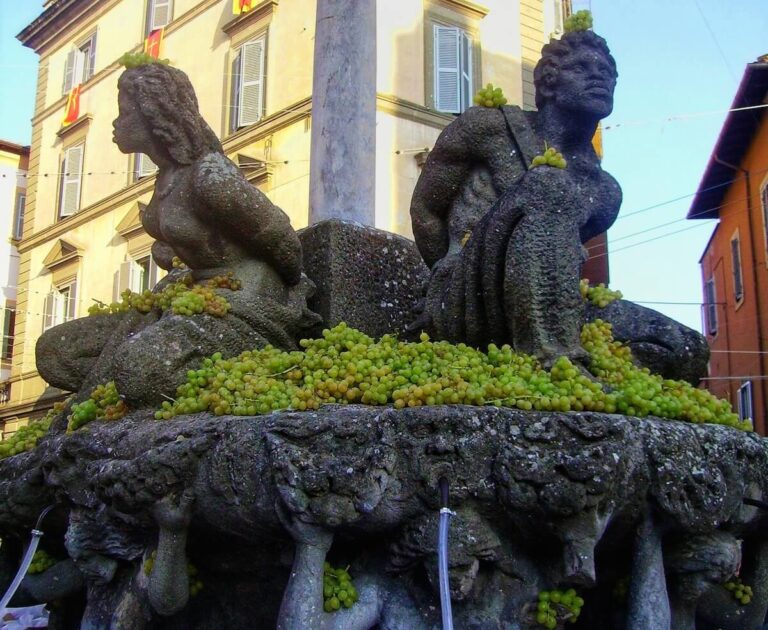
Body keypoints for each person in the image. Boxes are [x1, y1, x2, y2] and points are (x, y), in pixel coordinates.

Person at [37, 61, 319, 408]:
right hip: (187, 296)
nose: (116, 123)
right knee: (55, 352)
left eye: (125, 113)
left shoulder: (210, 179)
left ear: (155, 115)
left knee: (139, 370)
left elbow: (285, 244)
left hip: (244, 300)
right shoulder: (165, 180)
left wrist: (268, 296)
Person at [410, 30, 620, 367]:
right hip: (470, 295)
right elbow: (425, 210)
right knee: (549, 185)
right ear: (549, 82)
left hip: (545, 301)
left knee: (677, 344)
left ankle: (567, 347)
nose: (599, 76)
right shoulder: (488, 128)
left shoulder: (605, 190)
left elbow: (555, 252)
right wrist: (448, 269)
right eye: (581, 68)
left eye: (608, 73)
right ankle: (554, 362)